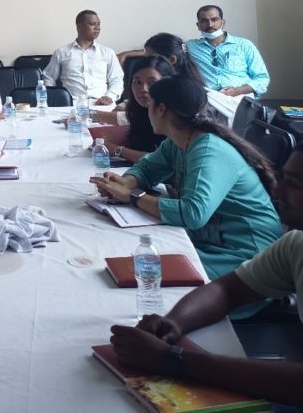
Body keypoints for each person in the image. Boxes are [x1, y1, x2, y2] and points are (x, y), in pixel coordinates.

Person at [108, 147, 303, 408]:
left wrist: (173, 359)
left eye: (294, 184)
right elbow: (226, 291)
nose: (277, 192)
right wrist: (173, 324)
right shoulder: (296, 244)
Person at [90, 75, 281, 281]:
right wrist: (126, 182)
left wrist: (133, 196)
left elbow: (193, 213)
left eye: (150, 105)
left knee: (142, 272)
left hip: (247, 256)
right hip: (210, 243)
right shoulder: (181, 140)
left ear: (161, 109)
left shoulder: (208, 151)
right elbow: (147, 168)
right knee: (132, 256)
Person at [93, 56, 177, 163]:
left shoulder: (175, 116)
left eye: (152, 83)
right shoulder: (141, 110)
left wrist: (117, 150)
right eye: (138, 82)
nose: (143, 89)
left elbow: (165, 161)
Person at [186, 5, 270, 97]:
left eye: (214, 19)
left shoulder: (244, 45)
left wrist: (238, 90)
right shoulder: (190, 47)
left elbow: (262, 78)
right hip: (207, 101)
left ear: (223, 22)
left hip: (241, 100)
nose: (210, 25)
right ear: (198, 25)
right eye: (204, 21)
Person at [43, 10, 123, 105]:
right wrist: (55, 98)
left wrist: (110, 96)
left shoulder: (108, 53)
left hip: (102, 104)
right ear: (79, 26)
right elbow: (48, 78)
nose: (97, 28)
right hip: (71, 104)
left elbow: (116, 79)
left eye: (98, 24)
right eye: (92, 24)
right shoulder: (61, 52)